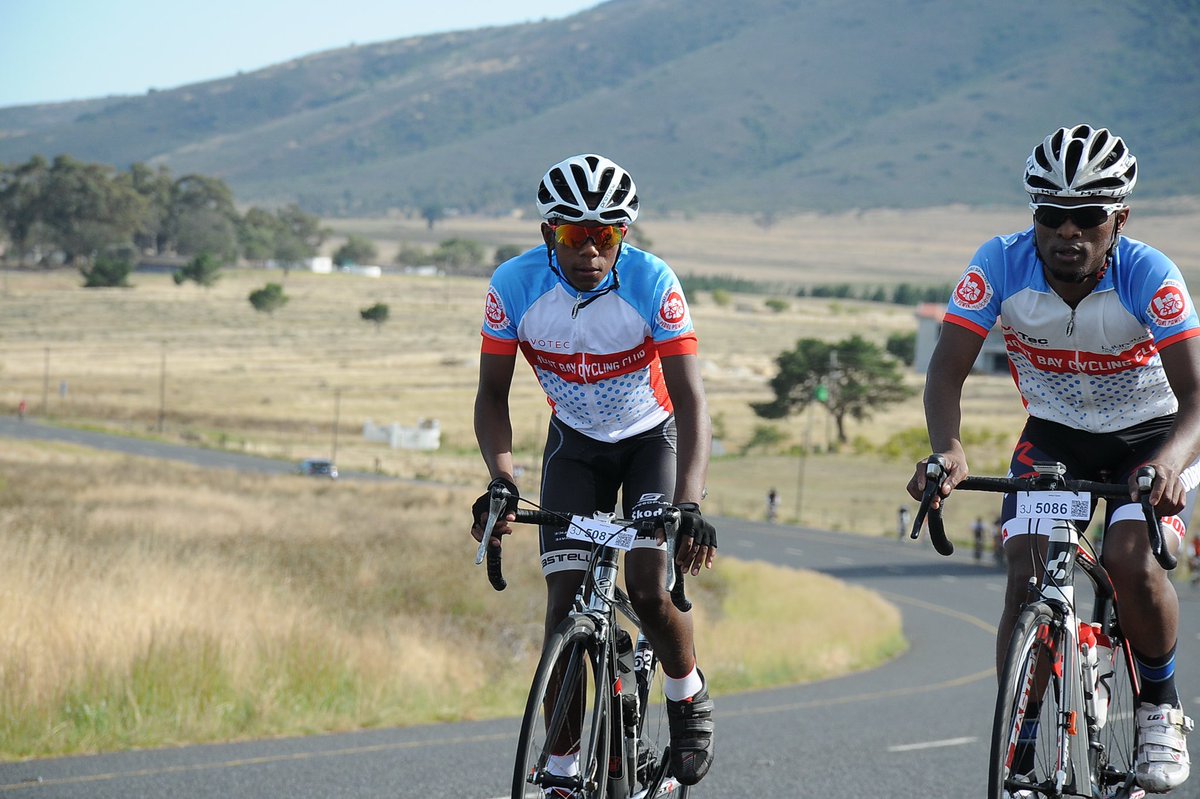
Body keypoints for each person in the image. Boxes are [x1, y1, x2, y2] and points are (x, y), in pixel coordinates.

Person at [907, 125, 1197, 794]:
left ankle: (1160, 702)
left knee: (1128, 557)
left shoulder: (1148, 273)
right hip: (1056, 435)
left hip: (1152, 435)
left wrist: (1174, 463)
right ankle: (1024, 727)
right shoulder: (999, 264)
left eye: (1087, 217)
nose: (1067, 232)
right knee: (1028, 570)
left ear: (1118, 218)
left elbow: (1197, 393)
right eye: (1050, 215)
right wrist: (948, 449)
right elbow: (946, 369)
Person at [470, 154, 716, 790]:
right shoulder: (514, 286)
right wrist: (502, 481)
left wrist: (689, 500)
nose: (588, 251)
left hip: (649, 439)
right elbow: (492, 393)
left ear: (622, 237)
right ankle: (560, 767)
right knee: (561, 611)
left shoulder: (653, 281)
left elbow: (692, 402)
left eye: (604, 236)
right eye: (572, 235)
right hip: (574, 445)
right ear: (548, 233)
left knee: (646, 588)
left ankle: (686, 696)